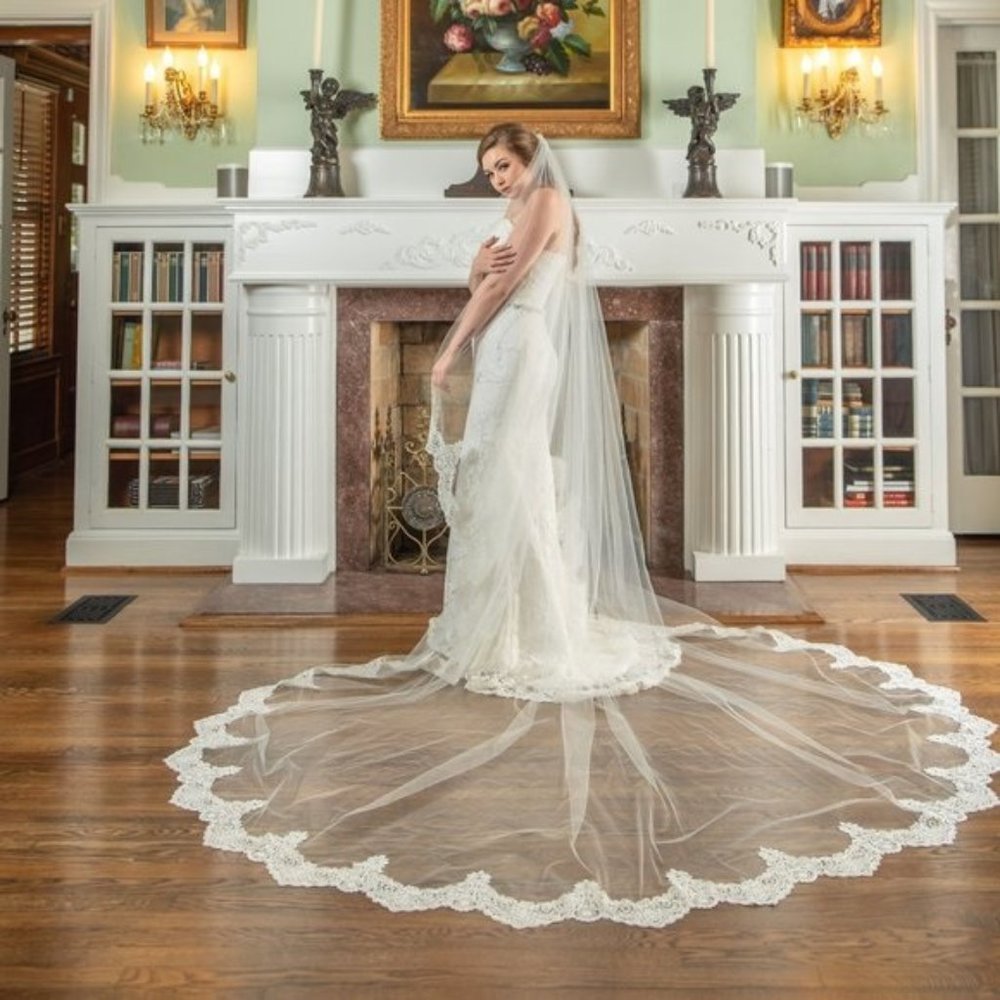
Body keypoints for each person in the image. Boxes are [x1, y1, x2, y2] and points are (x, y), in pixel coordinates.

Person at [168, 124, 998, 929]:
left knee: (510, 473)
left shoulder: (547, 197)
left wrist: (452, 345)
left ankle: (527, 626)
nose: (497, 179)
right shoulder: (532, 203)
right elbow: (483, 271)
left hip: (517, 345)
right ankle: (507, 620)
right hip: (514, 343)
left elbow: (499, 284)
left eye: (502, 165)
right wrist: (472, 282)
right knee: (505, 476)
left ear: (529, 157)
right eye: (488, 171)